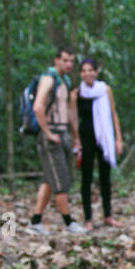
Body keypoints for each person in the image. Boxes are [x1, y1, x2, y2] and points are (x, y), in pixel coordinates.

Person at [25, 47, 87, 236]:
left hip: (63, 133)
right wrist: (48, 132)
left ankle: (35, 221)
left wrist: (76, 137)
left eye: (71, 61)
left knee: (50, 180)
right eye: (65, 60)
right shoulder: (48, 79)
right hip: (51, 136)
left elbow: (70, 113)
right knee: (60, 181)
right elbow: (38, 107)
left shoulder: (65, 82)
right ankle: (69, 222)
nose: (68, 64)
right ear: (56, 60)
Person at [73, 58, 125, 229]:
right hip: (86, 138)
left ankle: (108, 215)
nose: (88, 74)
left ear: (96, 72)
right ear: (80, 74)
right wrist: (76, 139)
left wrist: (118, 138)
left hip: (105, 139)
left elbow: (114, 114)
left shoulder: (105, 90)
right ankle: (88, 219)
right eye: (84, 71)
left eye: (91, 70)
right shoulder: (76, 93)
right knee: (86, 179)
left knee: (105, 178)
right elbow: (73, 118)